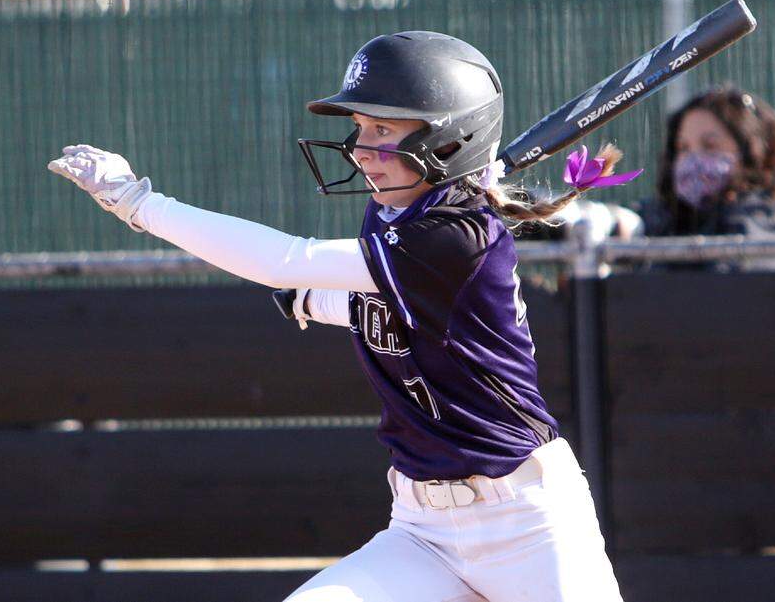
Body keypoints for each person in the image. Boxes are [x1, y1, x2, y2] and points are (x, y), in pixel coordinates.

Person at [48, 31, 626, 601]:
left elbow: (286, 261)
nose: (361, 149)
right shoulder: (396, 216)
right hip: (423, 532)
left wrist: (139, 203)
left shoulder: (455, 236)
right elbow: (395, 314)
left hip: (525, 525)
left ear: (450, 141)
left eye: (383, 130)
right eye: (359, 129)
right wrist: (314, 300)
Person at [636, 85, 775, 271]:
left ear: (752, 154)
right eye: (683, 148)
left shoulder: (768, 220)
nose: (693, 159)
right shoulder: (670, 220)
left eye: (710, 146)